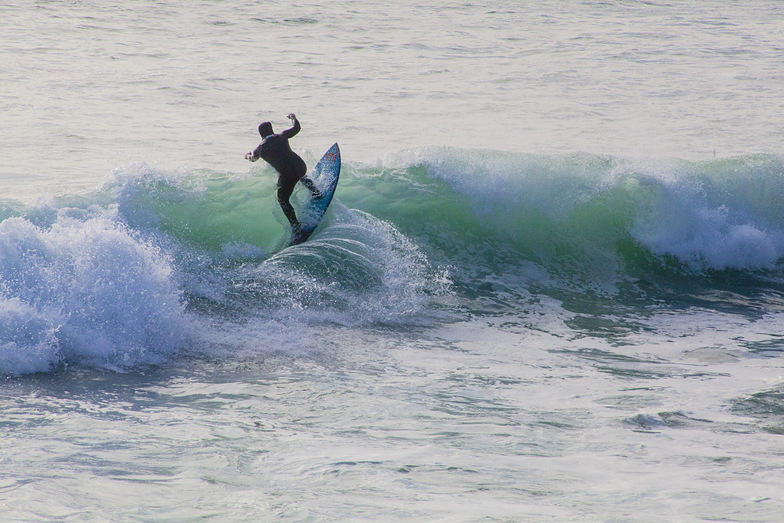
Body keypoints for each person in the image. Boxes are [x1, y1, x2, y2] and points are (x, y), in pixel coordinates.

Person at [245, 113, 321, 238]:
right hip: (300, 167)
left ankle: (296, 227)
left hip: (287, 175)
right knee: (300, 174)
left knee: (282, 199)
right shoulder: (282, 136)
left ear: (261, 134)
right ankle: (316, 191)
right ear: (271, 130)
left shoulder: (259, 149)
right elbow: (297, 128)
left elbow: (253, 159)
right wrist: (293, 118)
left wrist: (247, 155)